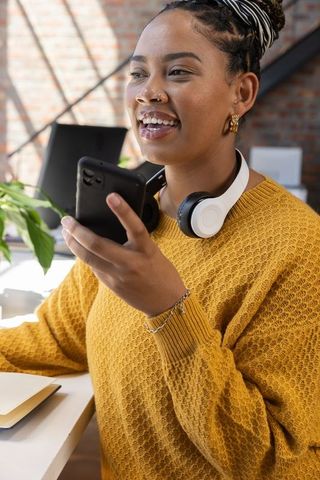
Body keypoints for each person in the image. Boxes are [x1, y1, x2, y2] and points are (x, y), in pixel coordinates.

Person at [1, 0, 320, 478]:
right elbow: (53, 340)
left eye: (178, 72)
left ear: (242, 93)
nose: (148, 92)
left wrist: (169, 311)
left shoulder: (298, 246)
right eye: (137, 73)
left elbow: (282, 464)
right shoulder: (129, 220)